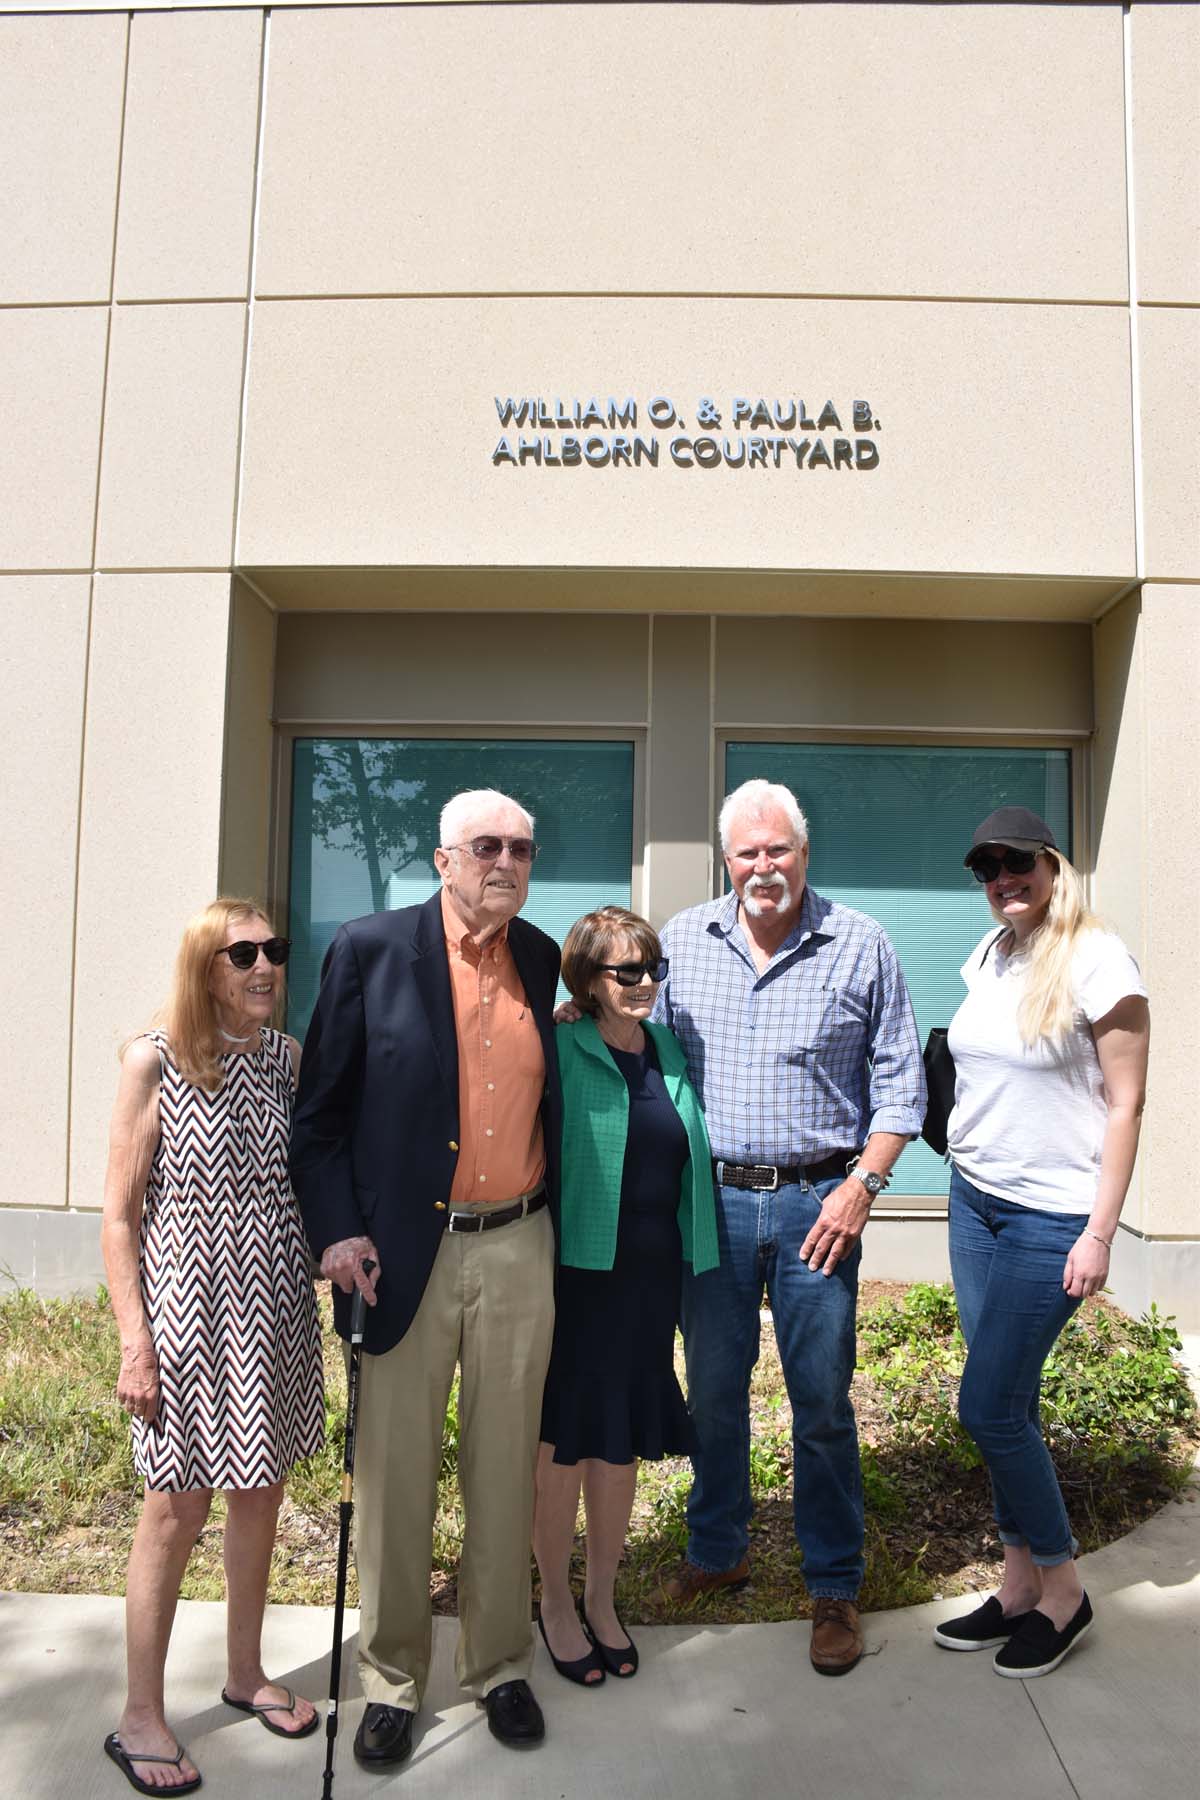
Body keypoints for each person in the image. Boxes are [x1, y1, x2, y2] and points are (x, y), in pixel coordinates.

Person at [290, 789, 561, 1765]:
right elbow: (319, 1118)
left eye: (522, 849)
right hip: (402, 1252)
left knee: (505, 1464)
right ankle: (392, 1679)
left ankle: (499, 1665)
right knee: (395, 1472)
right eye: (487, 846)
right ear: (444, 859)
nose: (506, 862)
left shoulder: (540, 956)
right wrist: (336, 1233)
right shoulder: (370, 951)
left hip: (519, 1241)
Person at [656, 778, 925, 1676]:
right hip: (714, 1202)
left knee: (821, 1401)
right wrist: (582, 1010)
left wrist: (862, 1188)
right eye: (748, 852)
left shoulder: (861, 942)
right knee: (713, 1389)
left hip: (821, 1204)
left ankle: (834, 1582)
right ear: (725, 859)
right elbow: (642, 1046)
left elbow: (902, 1085)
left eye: (779, 849)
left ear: (804, 853)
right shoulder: (683, 942)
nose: (764, 866)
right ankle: (718, 1549)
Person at [100, 900, 323, 1796]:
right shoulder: (153, 1060)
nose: (264, 966)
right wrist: (135, 1342)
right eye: (243, 954)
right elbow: (119, 1217)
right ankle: (139, 1715)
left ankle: (244, 1672)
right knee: (174, 1510)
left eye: (274, 950)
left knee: (260, 1495)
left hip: (273, 1313)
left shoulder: (284, 1059)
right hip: (186, 1320)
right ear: (205, 966)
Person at [933, 806, 1150, 1677]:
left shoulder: (1100, 960)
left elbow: (1127, 1104)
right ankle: (1018, 1582)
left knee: (987, 1407)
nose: (1002, 879)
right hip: (974, 1201)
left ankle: (1063, 1589)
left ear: (1053, 864)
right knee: (1008, 1407)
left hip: (1051, 1217)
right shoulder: (991, 954)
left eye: (1016, 861)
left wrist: (1100, 1233)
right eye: (986, 868)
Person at [535, 907, 719, 1685]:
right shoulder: (559, 1043)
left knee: (619, 1441)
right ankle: (554, 1602)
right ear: (587, 978)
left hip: (649, 1277)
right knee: (564, 1441)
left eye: (653, 969)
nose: (646, 983)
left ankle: (602, 1599)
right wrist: (558, 1014)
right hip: (577, 1275)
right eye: (627, 971)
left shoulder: (666, 1047)